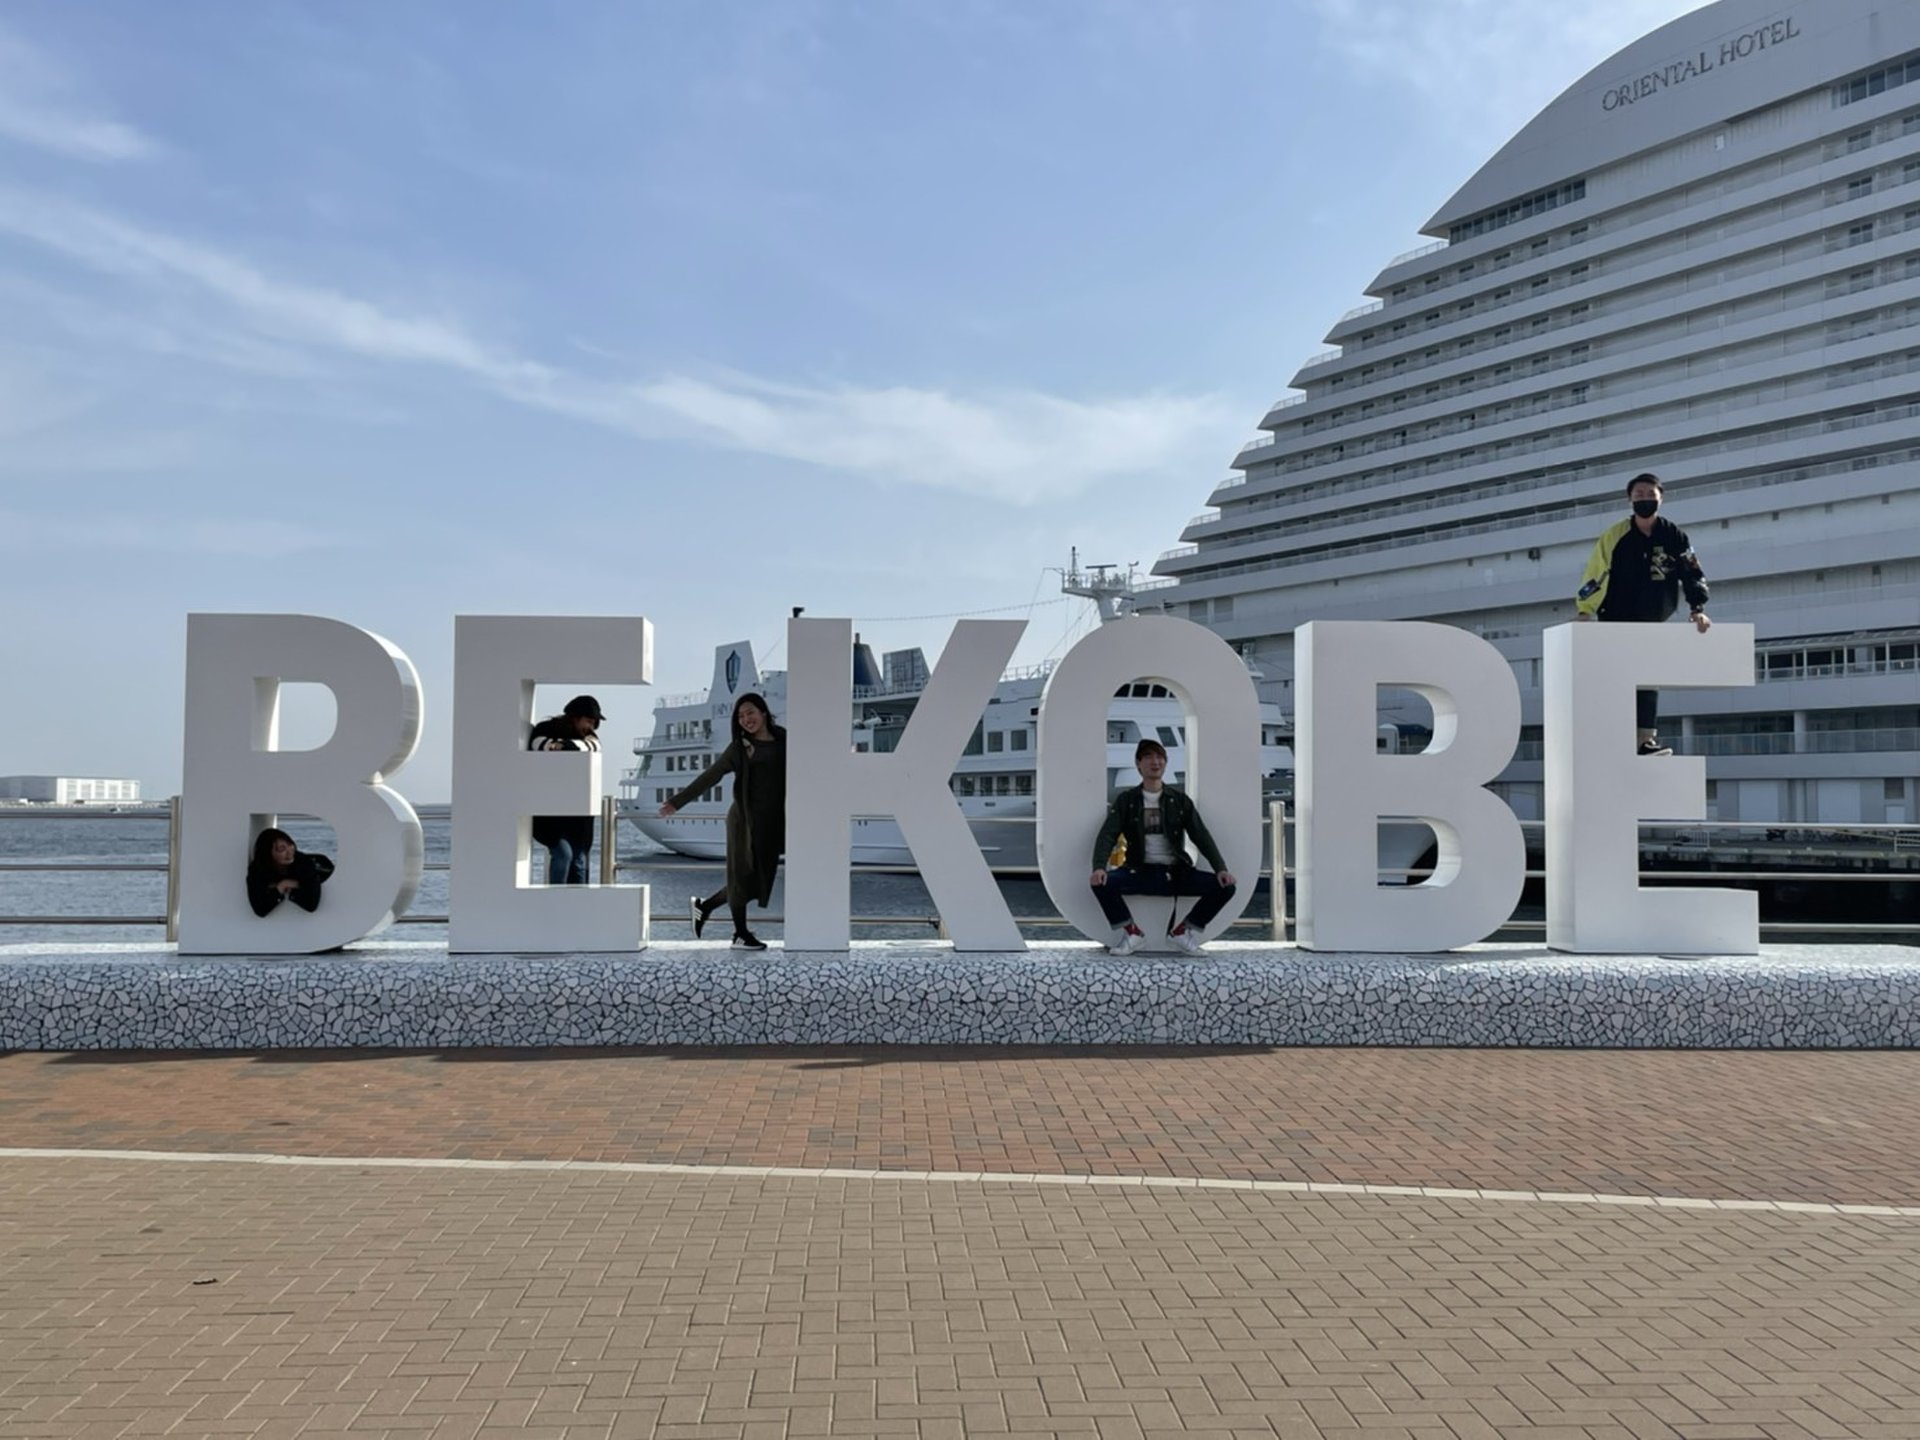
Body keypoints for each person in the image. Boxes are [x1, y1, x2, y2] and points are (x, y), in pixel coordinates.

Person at [1574, 472, 1713, 756]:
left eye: (1651, 495)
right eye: (1639, 495)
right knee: (1617, 676)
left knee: (1647, 677)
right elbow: (1596, 572)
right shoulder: (1615, 535)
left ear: (1661, 498)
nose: (1645, 500)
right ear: (1629, 500)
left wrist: (1697, 609)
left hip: (1653, 617)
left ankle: (1644, 741)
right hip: (1616, 615)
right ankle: (1613, 737)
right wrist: (1585, 609)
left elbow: (1691, 571)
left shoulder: (1673, 535)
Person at [659, 691, 786, 950]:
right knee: (741, 876)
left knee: (757, 880)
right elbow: (711, 776)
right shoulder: (740, 748)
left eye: (750, 712)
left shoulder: (783, 737)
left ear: (763, 712)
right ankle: (740, 934)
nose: (746, 719)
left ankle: (704, 907)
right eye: (740, 716)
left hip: (771, 821)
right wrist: (677, 802)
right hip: (744, 821)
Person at [1089, 738, 1237, 957]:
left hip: (1176, 873)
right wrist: (1099, 866)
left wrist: (1221, 868)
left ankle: (1182, 932)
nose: (1155, 762)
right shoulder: (1127, 800)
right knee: (1101, 883)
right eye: (1148, 757)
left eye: (1159, 757)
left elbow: (1201, 835)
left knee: (1226, 887)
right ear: (1138, 763)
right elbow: (1107, 835)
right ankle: (1132, 933)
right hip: (1139, 871)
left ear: (1166, 763)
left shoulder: (1179, 801)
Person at [530, 694, 605, 885]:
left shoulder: (588, 737)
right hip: (549, 813)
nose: (591, 726)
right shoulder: (545, 728)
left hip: (578, 815)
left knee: (579, 861)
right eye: (588, 721)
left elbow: (594, 746)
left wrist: (563, 746)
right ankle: (555, 902)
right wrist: (556, 746)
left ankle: (578, 907)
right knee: (563, 854)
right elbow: (538, 744)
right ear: (575, 717)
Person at [246, 827, 334, 917]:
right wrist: (282, 885)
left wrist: (296, 886)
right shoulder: (257, 869)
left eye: (290, 844)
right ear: (267, 853)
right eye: (281, 849)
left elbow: (311, 904)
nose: (289, 852)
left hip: (323, 868)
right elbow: (260, 909)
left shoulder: (304, 864)